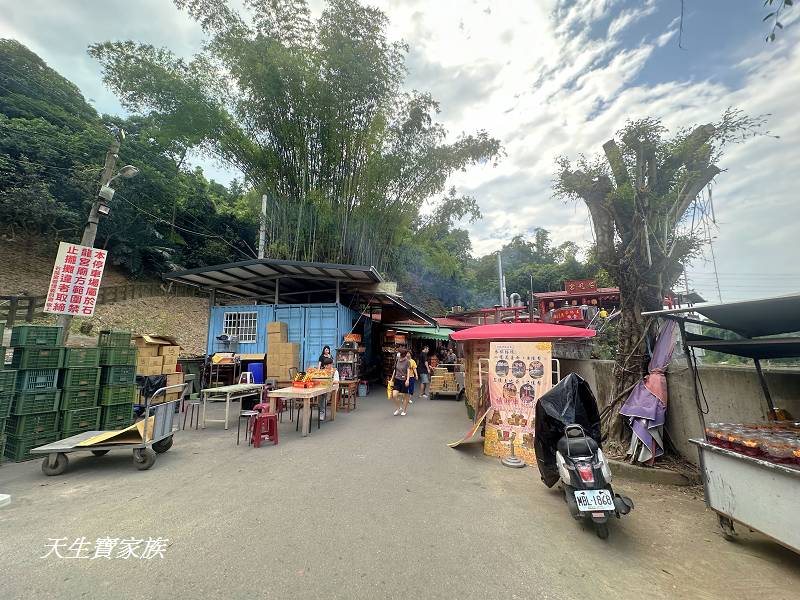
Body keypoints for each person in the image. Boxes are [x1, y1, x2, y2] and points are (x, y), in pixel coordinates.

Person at [317, 345, 334, 420]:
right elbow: (319, 365)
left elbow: (332, 365)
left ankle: (322, 411)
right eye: (326, 349)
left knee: (325, 397)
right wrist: (318, 372)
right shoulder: (321, 357)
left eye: (328, 349)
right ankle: (322, 411)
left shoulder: (333, 370)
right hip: (322, 379)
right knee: (322, 397)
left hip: (329, 385)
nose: (327, 350)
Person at [391, 351, 411, 416]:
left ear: (404, 355)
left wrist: (407, 380)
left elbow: (408, 371)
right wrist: (391, 379)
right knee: (394, 395)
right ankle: (398, 408)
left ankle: (404, 410)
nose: (399, 355)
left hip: (404, 380)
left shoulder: (407, 361)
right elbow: (395, 370)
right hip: (397, 379)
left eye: (400, 354)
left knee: (404, 396)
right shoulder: (397, 360)